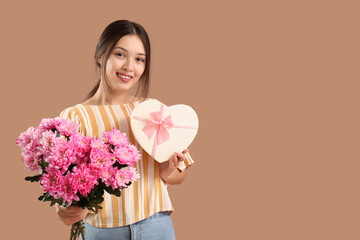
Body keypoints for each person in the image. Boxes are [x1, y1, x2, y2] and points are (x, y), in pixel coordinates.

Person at [55, 20, 194, 240]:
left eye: (139, 59)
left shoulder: (151, 110)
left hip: (155, 225)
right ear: (101, 56)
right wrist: (63, 209)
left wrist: (173, 170)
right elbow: (61, 182)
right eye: (120, 55)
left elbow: (174, 176)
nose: (130, 66)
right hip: (99, 230)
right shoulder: (73, 117)